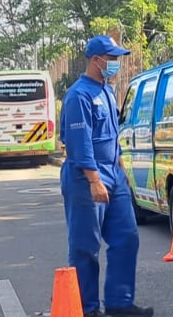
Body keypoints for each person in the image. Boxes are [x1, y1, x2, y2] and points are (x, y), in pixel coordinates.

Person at [59, 35, 153, 317]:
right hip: (86, 176)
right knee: (86, 246)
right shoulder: (79, 95)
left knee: (127, 237)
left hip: (113, 171)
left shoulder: (107, 92)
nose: (116, 64)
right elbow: (80, 142)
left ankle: (119, 302)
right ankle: (87, 309)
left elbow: (111, 135)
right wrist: (94, 179)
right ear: (96, 60)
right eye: (111, 59)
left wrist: (121, 166)